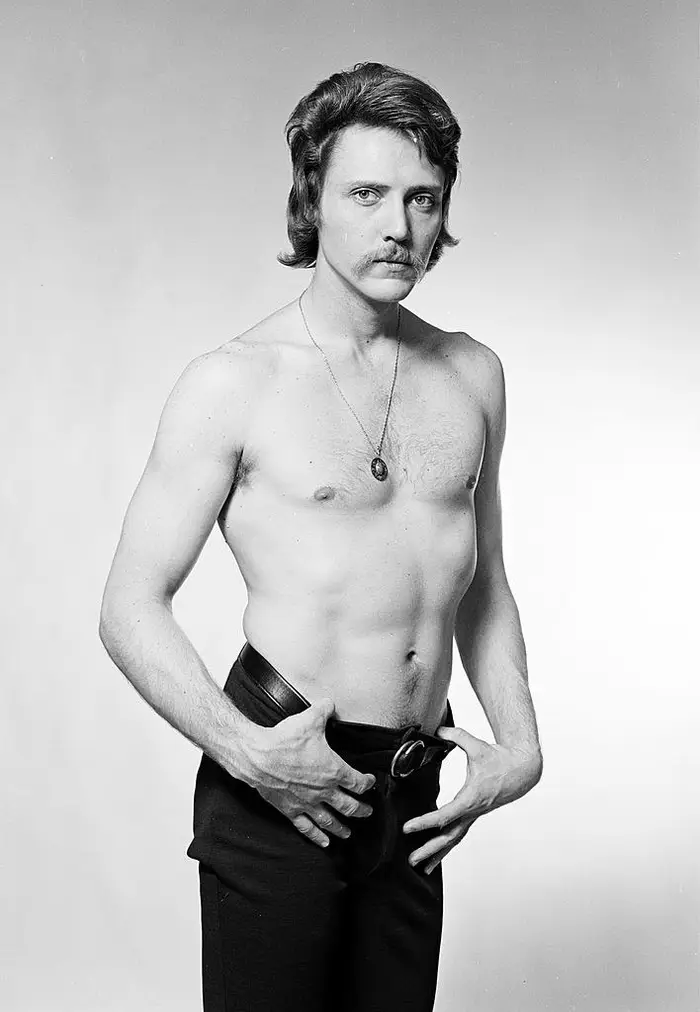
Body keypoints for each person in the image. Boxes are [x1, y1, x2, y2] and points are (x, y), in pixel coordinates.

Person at [99, 61, 543, 1012]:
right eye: (367, 194)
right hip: (279, 780)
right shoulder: (234, 381)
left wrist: (521, 742)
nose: (399, 227)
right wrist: (245, 751)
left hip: (412, 794)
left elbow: (483, 582)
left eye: (423, 198)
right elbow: (129, 605)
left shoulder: (473, 374)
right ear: (312, 201)